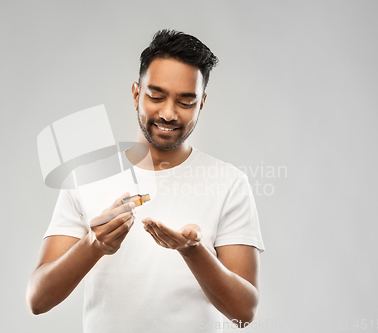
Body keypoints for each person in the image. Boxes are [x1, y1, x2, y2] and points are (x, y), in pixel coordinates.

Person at [27, 29, 265, 332]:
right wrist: (94, 244)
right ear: (136, 94)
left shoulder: (229, 183)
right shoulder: (86, 178)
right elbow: (37, 299)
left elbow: (244, 312)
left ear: (202, 104)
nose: (168, 113)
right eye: (156, 96)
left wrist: (193, 251)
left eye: (186, 102)